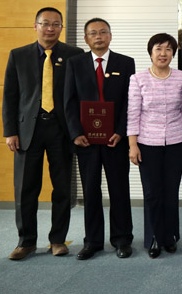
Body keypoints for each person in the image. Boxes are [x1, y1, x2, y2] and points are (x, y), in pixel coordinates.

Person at [2, 7, 84, 260]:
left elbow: (80, 95)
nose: (50, 28)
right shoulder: (18, 55)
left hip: (62, 130)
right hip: (28, 131)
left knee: (62, 188)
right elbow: (10, 96)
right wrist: (10, 131)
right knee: (25, 189)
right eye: (45, 23)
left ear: (61, 28)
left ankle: (57, 240)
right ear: (35, 25)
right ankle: (26, 242)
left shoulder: (74, 55)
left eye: (56, 24)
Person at [64, 18, 135, 260]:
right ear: (86, 39)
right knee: (90, 192)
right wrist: (76, 133)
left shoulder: (125, 63)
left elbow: (129, 101)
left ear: (110, 36)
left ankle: (122, 239)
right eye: (93, 33)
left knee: (119, 191)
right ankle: (92, 242)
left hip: (115, 139)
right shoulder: (75, 63)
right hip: (86, 141)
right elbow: (69, 101)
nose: (98, 37)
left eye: (103, 32)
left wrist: (121, 131)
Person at [127, 33, 182, 258]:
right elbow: (133, 113)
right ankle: (153, 238)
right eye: (158, 49)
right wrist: (132, 144)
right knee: (152, 192)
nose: (163, 53)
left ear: (173, 53)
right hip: (147, 143)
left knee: (171, 191)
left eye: (168, 49)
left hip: (176, 141)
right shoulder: (138, 79)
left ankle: (170, 236)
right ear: (150, 52)